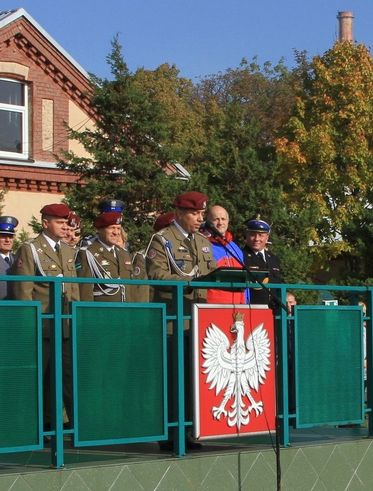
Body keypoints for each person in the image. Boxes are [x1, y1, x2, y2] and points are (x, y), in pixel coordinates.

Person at [146, 191, 219, 451]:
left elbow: (212, 275)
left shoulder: (203, 242)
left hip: (199, 319)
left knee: (192, 380)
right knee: (172, 379)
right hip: (173, 320)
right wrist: (189, 283)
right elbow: (156, 276)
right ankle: (168, 432)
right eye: (194, 213)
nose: (200, 218)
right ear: (178, 214)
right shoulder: (162, 240)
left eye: (201, 214)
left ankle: (189, 429)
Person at [12, 204, 80, 431]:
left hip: (66, 326)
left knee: (68, 379)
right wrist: (26, 328)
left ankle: (72, 426)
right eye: (60, 222)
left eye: (66, 222)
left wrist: (76, 320)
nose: (65, 226)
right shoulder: (30, 249)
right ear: (45, 223)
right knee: (40, 381)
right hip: (42, 327)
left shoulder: (68, 251)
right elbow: (23, 292)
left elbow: (74, 290)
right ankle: (33, 427)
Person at [76, 212, 136, 302]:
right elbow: (85, 291)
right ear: (100, 230)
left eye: (118, 228)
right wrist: (87, 314)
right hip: (102, 311)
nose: (116, 232)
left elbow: (132, 288)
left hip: (126, 310)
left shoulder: (124, 253)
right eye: (111, 228)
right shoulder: (88, 253)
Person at [202, 205, 247, 304]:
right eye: (216, 219)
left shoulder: (235, 247)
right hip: (212, 306)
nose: (220, 223)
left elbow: (244, 278)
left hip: (237, 308)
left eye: (223, 219)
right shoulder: (202, 244)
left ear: (228, 221)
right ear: (208, 222)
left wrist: (245, 303)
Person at [241, 215, 284, 308]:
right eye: (253, 234)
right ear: (246, 235)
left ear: (267, 237)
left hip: (272, 311)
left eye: (261, 235)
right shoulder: (240, 256)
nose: (257, 239)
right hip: (251, 309)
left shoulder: (273, 259)